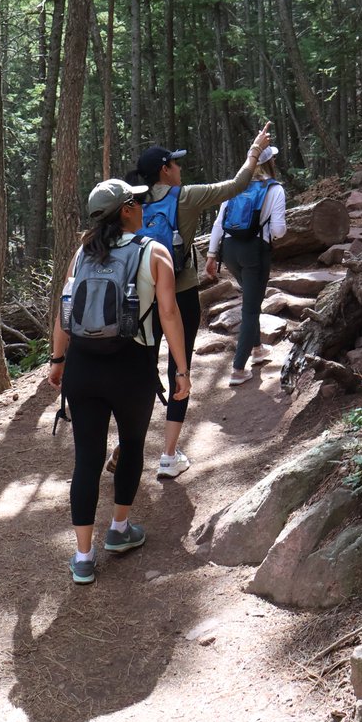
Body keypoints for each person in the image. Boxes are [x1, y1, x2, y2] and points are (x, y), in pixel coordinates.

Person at [48, 177, 190, 585]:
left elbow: (65, 310)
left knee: (87, 460)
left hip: (83, 370)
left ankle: (83, 557)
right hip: (132, 367)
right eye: (138, 202)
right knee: (130, 446)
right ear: (126, 210)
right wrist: (181, 369)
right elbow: (169, 314)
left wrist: (58, 359)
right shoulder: (153, 252)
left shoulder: (82, 253)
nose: (143, 207)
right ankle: (120, 530)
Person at [112, 121, 273, 480]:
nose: (181, 169)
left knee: (140, 371)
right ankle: (168, 455)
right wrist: (254, 151)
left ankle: (126, 446)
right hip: (180, 295)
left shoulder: (130, 203)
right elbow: (236, 185)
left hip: (139, 298)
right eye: (176, 164)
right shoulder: (183, 197)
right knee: (178, 372)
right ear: (165, 170)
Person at [205, 145, 287, 387]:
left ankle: (258, 348)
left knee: (251, 300)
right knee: (251, 309)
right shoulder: (275, 189)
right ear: (271, 162)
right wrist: (272, 233)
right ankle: (239, 369)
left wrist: (211, 255)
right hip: (254, 253)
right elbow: (279, 230)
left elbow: (219, 224)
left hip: (229, 252)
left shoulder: (236, 186)